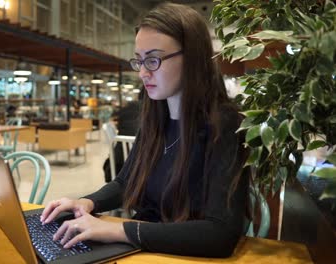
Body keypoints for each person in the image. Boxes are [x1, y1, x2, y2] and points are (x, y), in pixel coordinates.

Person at [40, 2, 249, 258]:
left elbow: (220, 235)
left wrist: (121, 231)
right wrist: (87, 202)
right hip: (144, 250)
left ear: (192, 57)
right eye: (139, 61)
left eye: (153, 60)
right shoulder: (154, 116)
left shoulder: (226, 126)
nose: (142, 73)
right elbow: (126, 182)